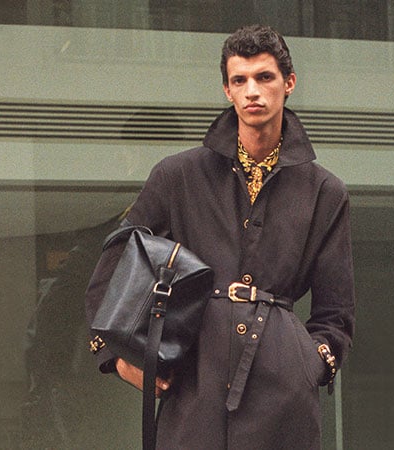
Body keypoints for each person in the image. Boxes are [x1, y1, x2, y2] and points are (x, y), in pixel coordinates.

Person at [85, 24, 355, 449]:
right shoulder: (177, 175)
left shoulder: (325, 191)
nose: (252, 91)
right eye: (239, 80)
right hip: (195, 381)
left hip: (284, 391)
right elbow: (115, 262)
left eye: (264, 77)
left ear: (289, 83)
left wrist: (311, 363)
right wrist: (118, 359)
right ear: (226, 91)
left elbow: (336, 312)